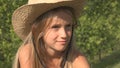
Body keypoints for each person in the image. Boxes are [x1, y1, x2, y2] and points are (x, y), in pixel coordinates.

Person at [12, 0, 90, 68]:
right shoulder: (29, 53)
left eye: (68, 26)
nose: (64, 35)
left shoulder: (76, 58)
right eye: (55, 27)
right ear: (38, 30)